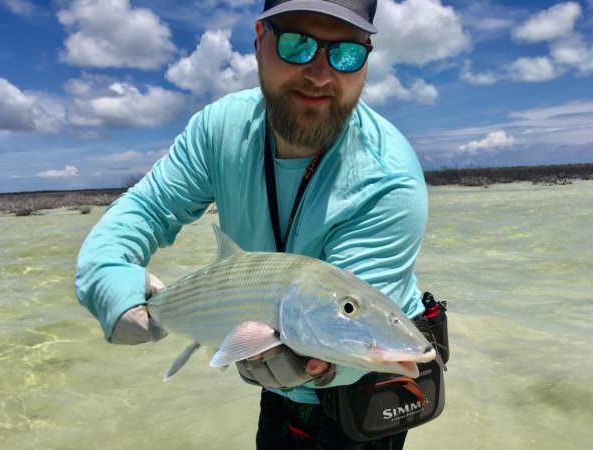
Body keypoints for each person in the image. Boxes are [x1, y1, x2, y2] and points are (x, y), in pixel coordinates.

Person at [75, 0, 428, 449]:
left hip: (365, 398)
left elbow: (350, 320)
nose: (321, 75)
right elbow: (143, 210)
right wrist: (111, 284)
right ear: (259, 40)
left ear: (368, 57)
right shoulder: (218, 129)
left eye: (346, 53)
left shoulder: (390, 178)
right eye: (297, 44)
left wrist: (314, 366)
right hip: (274, 387)